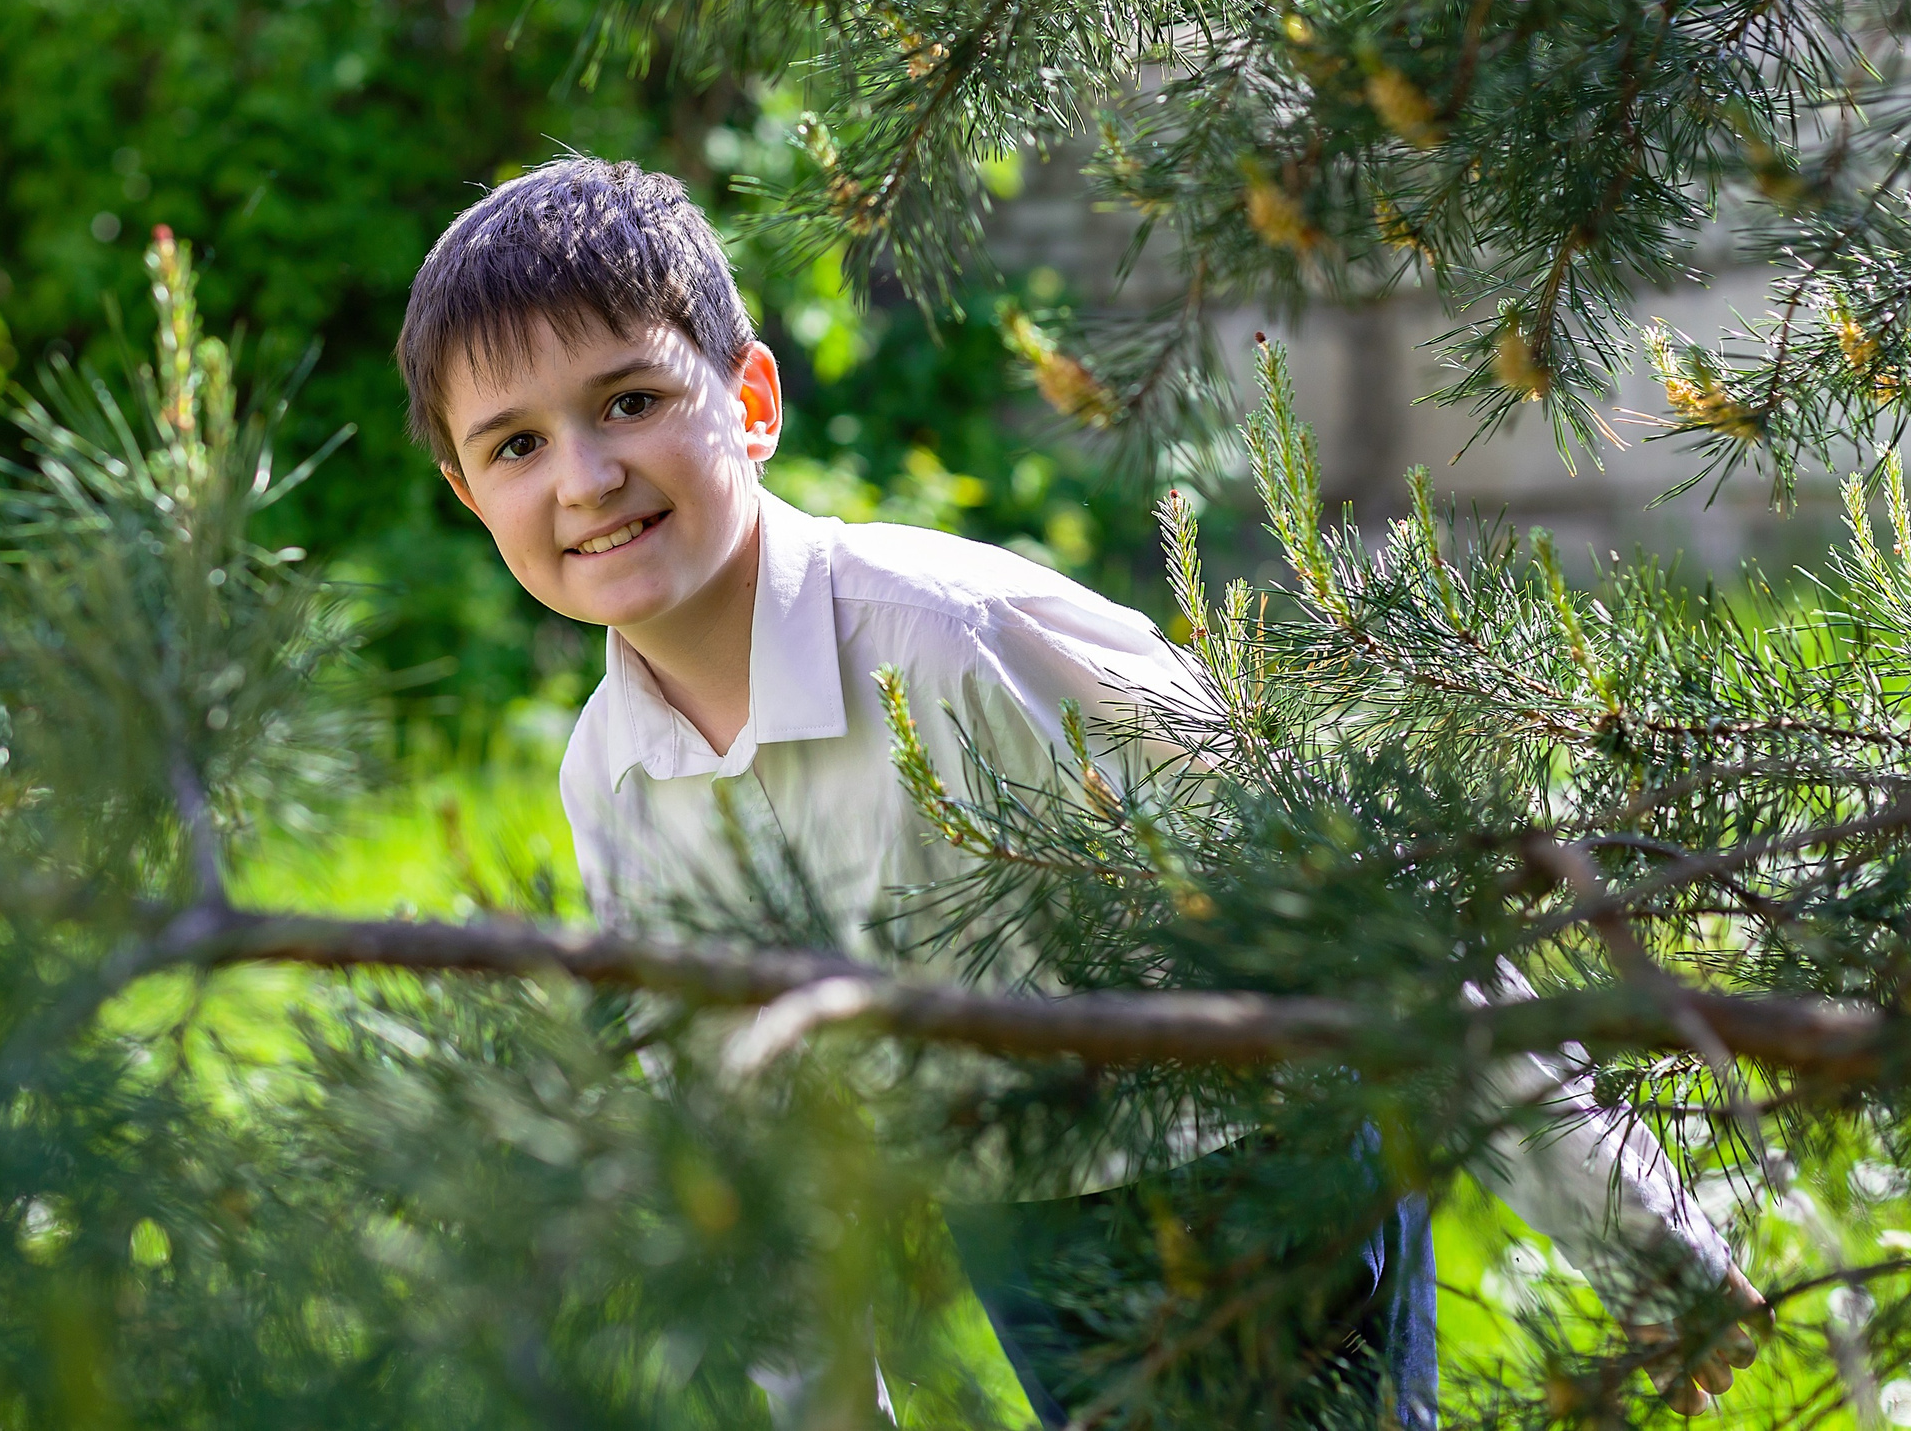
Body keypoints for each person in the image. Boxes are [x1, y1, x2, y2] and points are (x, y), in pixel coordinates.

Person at [395, 154, 1764, 1427]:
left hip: (1257, 1170)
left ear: (749, 405)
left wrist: (1637, 1243)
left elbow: (1361, 893)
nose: (585, 477)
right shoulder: (613, 775)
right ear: (466, 493)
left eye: (631, 401)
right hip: (1018, 1224)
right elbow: (734, 1125)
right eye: (516, 445)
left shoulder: (957, 638)